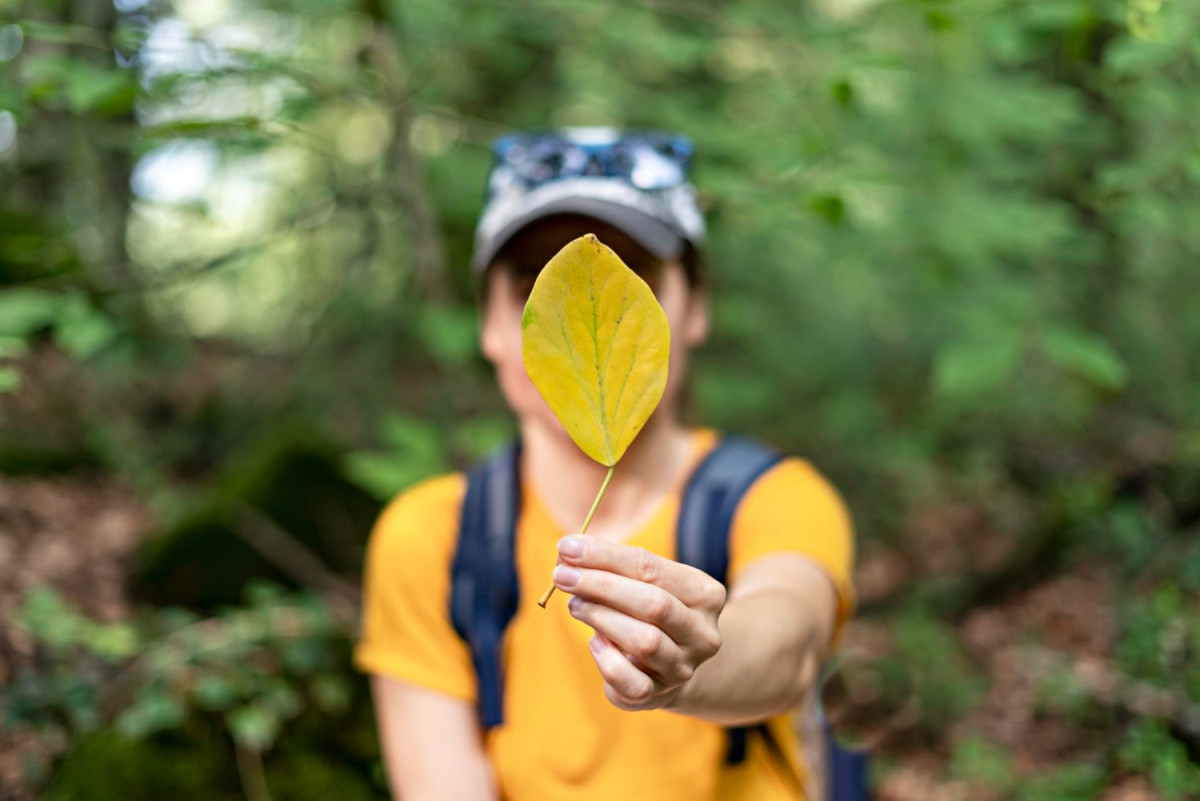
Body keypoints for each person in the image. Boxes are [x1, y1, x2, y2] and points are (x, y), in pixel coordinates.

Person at [355, 128, 855, 801]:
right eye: (537, 282)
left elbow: (786, 643)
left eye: (633, 277)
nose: (582, 312)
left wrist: (691, 666)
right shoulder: (431, 536)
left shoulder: (772, 497)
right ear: (493, 324)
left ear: (695, 307)